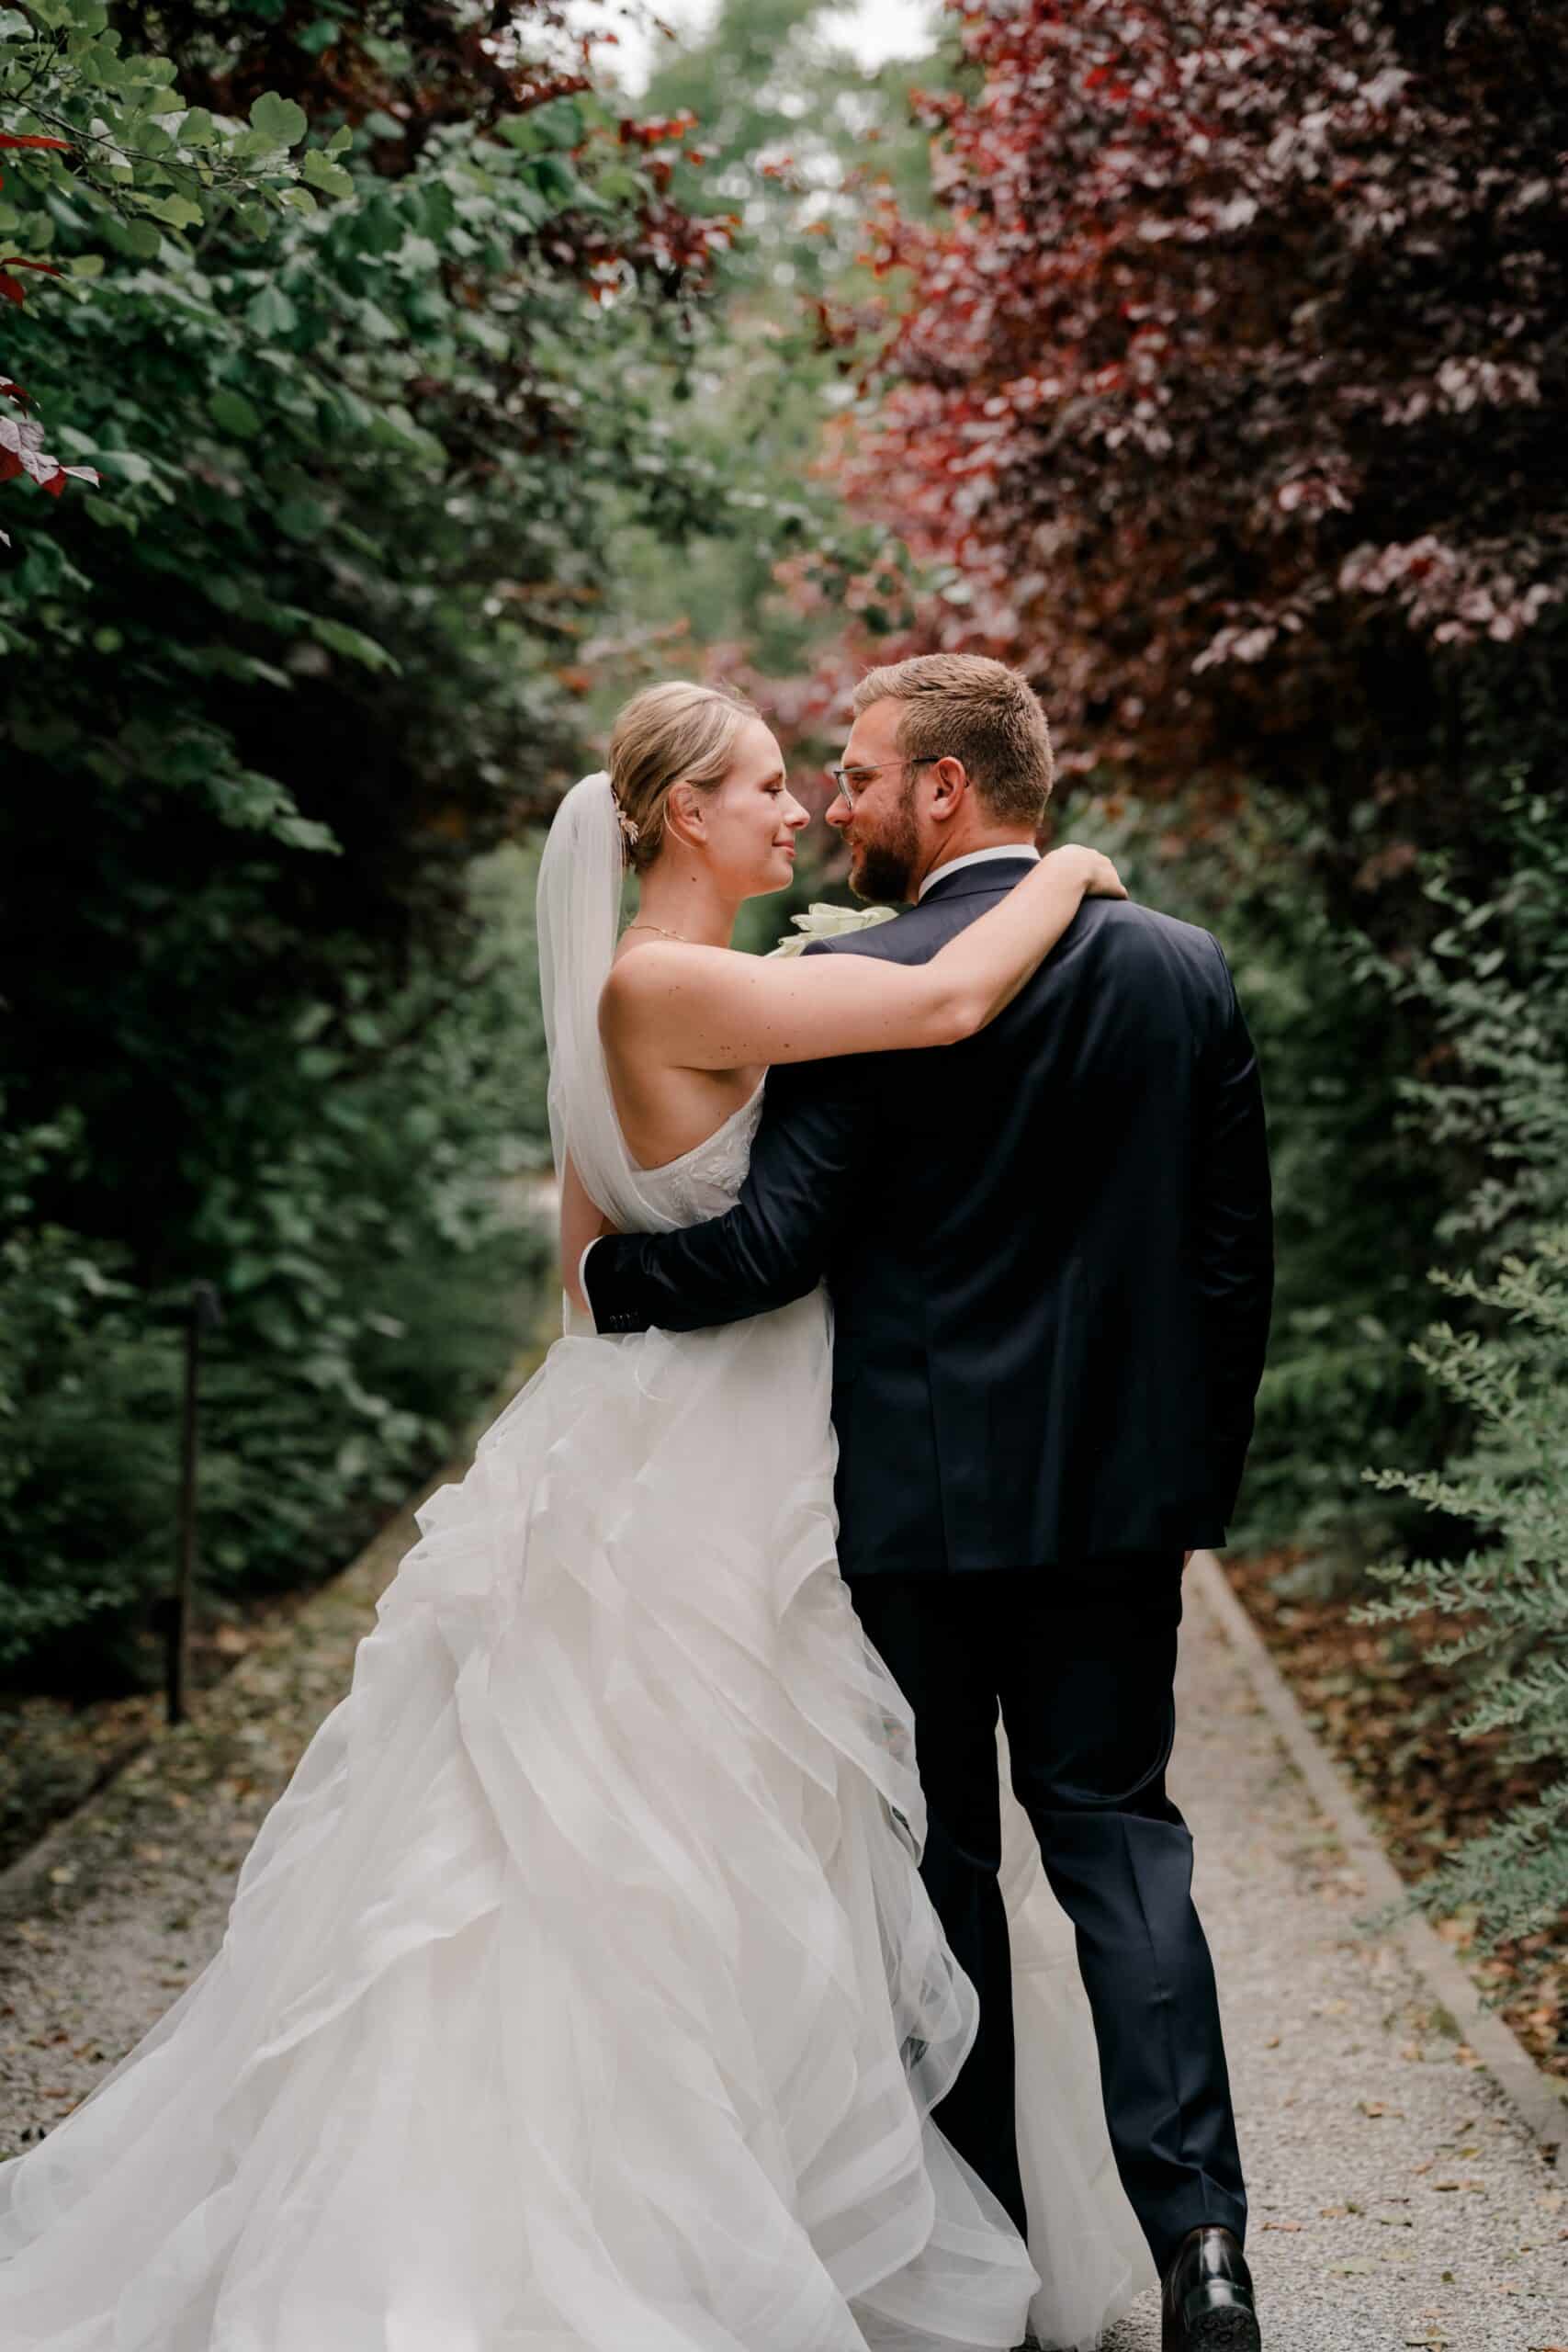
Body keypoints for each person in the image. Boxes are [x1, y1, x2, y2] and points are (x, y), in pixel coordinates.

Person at [0, 678, 1143, 2352]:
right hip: (709, 1451)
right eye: (767, 785)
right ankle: (628, 2234)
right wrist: (1073, 869)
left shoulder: (671, 983)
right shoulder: (677, 980)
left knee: (721, 1827)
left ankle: (746, 2202)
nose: (800, 812)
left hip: (677, 1424)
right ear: (686, 814)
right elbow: (953, 998)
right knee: (668, 1833)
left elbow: (586, 1273)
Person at [581, 656, 1275, 2352]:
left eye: (866, 773)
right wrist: (1182, 1485)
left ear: (947, 790)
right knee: (1121, 1839)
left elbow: (779, 1248)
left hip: (911, 1506)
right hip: (1113, 1508)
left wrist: (605, 1285)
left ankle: (995, 2264)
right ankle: (1203, 2248)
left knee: (942, 1868)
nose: (839, 803)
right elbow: (1228, 1262)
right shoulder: (1182, 970)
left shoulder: (853, 981)